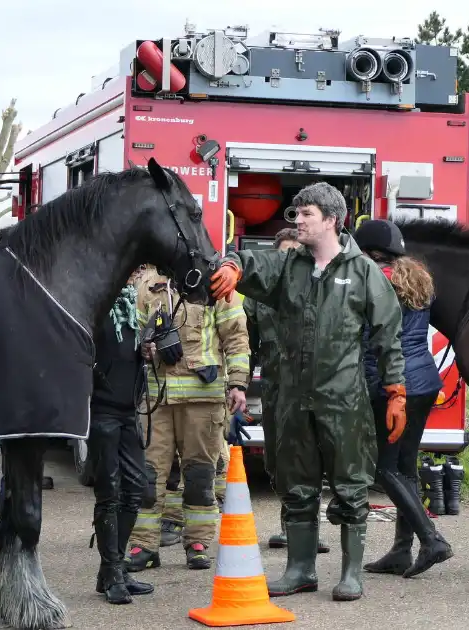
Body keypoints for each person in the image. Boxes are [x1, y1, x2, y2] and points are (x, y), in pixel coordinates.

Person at [208, 182, 406, 602]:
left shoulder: (362, 271)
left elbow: (388, 333)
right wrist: (232, 264)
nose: (296, 221)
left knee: (351, 485)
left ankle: (352, 573)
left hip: (343, 400)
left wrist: (396, 391)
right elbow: (248, 260)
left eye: (306, 214)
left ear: (332, 219)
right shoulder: (287, 267)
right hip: (292, 400)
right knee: (296, 485)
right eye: (294, 214)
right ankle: (300, 570)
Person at [125, 265, 250, 572]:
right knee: (148, 478)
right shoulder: (148, 285)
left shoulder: (216, 283)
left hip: (202, 400)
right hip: (157, 400)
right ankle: (143, 545)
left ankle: (197, 543)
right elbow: (133, 332)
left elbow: (236, 337)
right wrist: (142, 346)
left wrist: (237, 383)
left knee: (199, 476)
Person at [352, 218, 454, 578]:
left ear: (367, 250)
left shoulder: (371, 279)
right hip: (425, 381)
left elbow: (370, 342)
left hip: (392, 384)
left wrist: (364, 386)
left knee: (385, 467)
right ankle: (400, 550)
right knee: (405, 466)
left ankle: (431, 540)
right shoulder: (417, 277)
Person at [242, 228, 330, 554]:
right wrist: (238, 385)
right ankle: (287, 523)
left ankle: (306, 530)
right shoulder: (258, 295)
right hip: (274, 390)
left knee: (310, 459)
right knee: (276, 462)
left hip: (312, 389)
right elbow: (246, 344)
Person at [89, 279, 155, 604]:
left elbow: (127, 357)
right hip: (102, 413)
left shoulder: (131, 311)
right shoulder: (95, 307)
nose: (131, 279)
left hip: (129, 411)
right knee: (109, 495)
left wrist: (144, 353)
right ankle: (113, 570)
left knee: (136, 489)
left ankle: (111, 569)